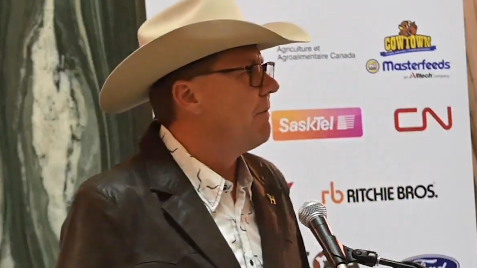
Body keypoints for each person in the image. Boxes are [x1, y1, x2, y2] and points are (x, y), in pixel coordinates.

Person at [55, 0, 311, 267]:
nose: (272, 84)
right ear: (188, 96)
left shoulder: (268, 180)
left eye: (263, 67)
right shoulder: (112, 203)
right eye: (251, 71)